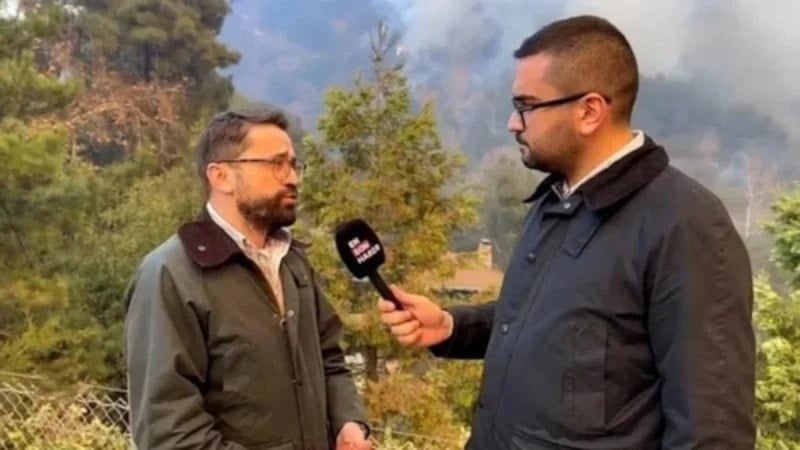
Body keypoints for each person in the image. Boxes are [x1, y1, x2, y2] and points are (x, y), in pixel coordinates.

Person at [378, 15, 755, 450]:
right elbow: (547, 320)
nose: (513, 123)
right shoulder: (555, 200)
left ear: (589, 111)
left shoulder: (685, 224)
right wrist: (450, 326)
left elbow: (713, 432)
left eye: (527, 106)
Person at [124, 107, 372, 450]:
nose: (292, 178)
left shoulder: (293, 262)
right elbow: (169, 431)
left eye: (294, 165)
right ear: (221, 176)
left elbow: (329, 358)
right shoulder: (171, 274)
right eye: (276, 163)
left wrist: (348, 422)